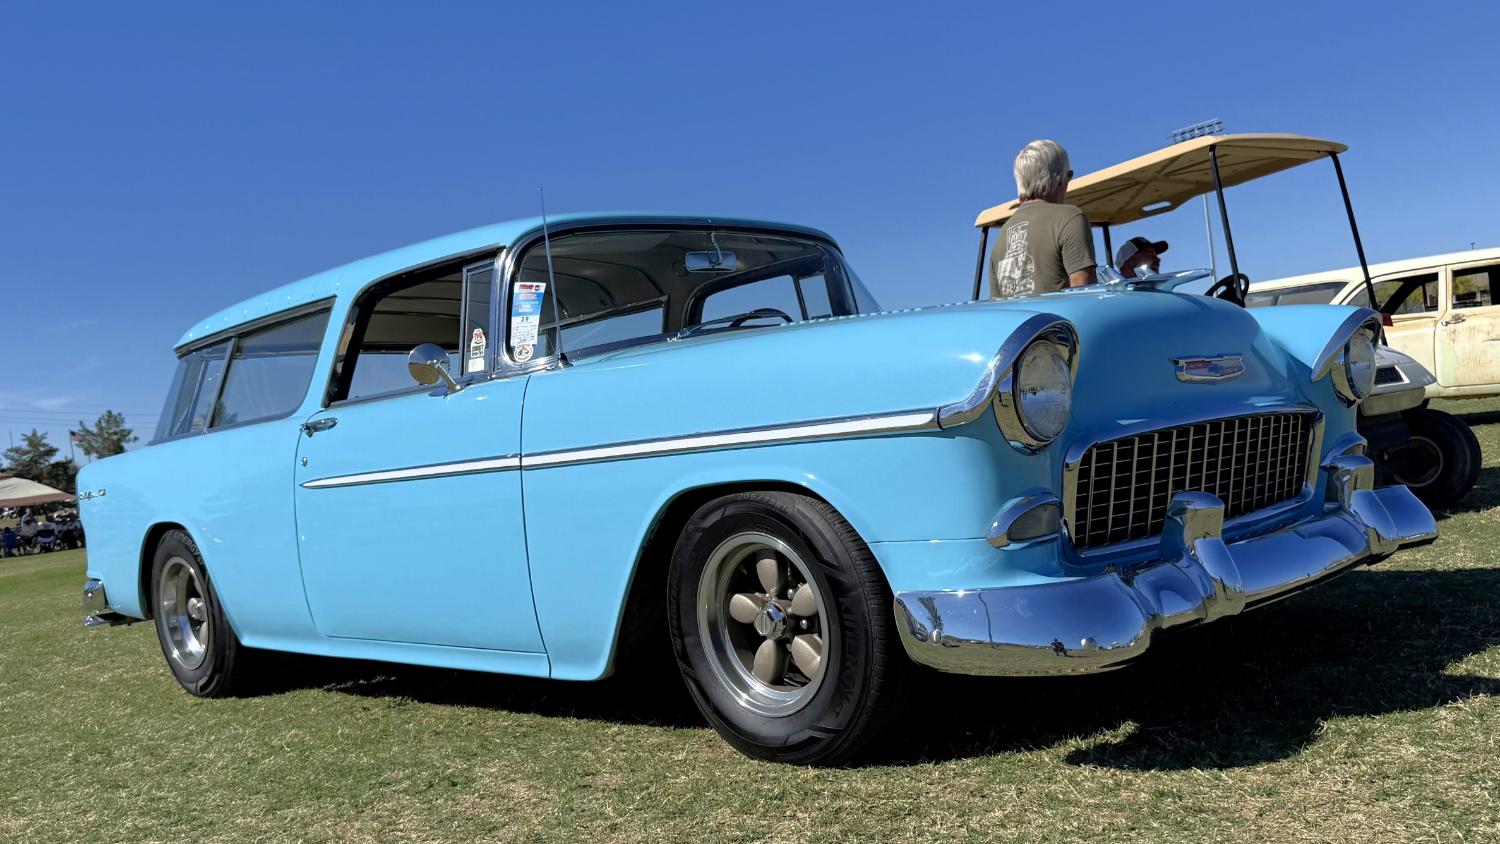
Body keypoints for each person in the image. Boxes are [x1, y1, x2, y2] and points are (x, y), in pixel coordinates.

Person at [990, 139, 1096, 298]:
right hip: (1060, 315)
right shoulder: (1069, 217)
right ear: (1058, 178)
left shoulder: (1002, 234)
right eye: (1069, 175)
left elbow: (997, 304)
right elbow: (1085, 292)